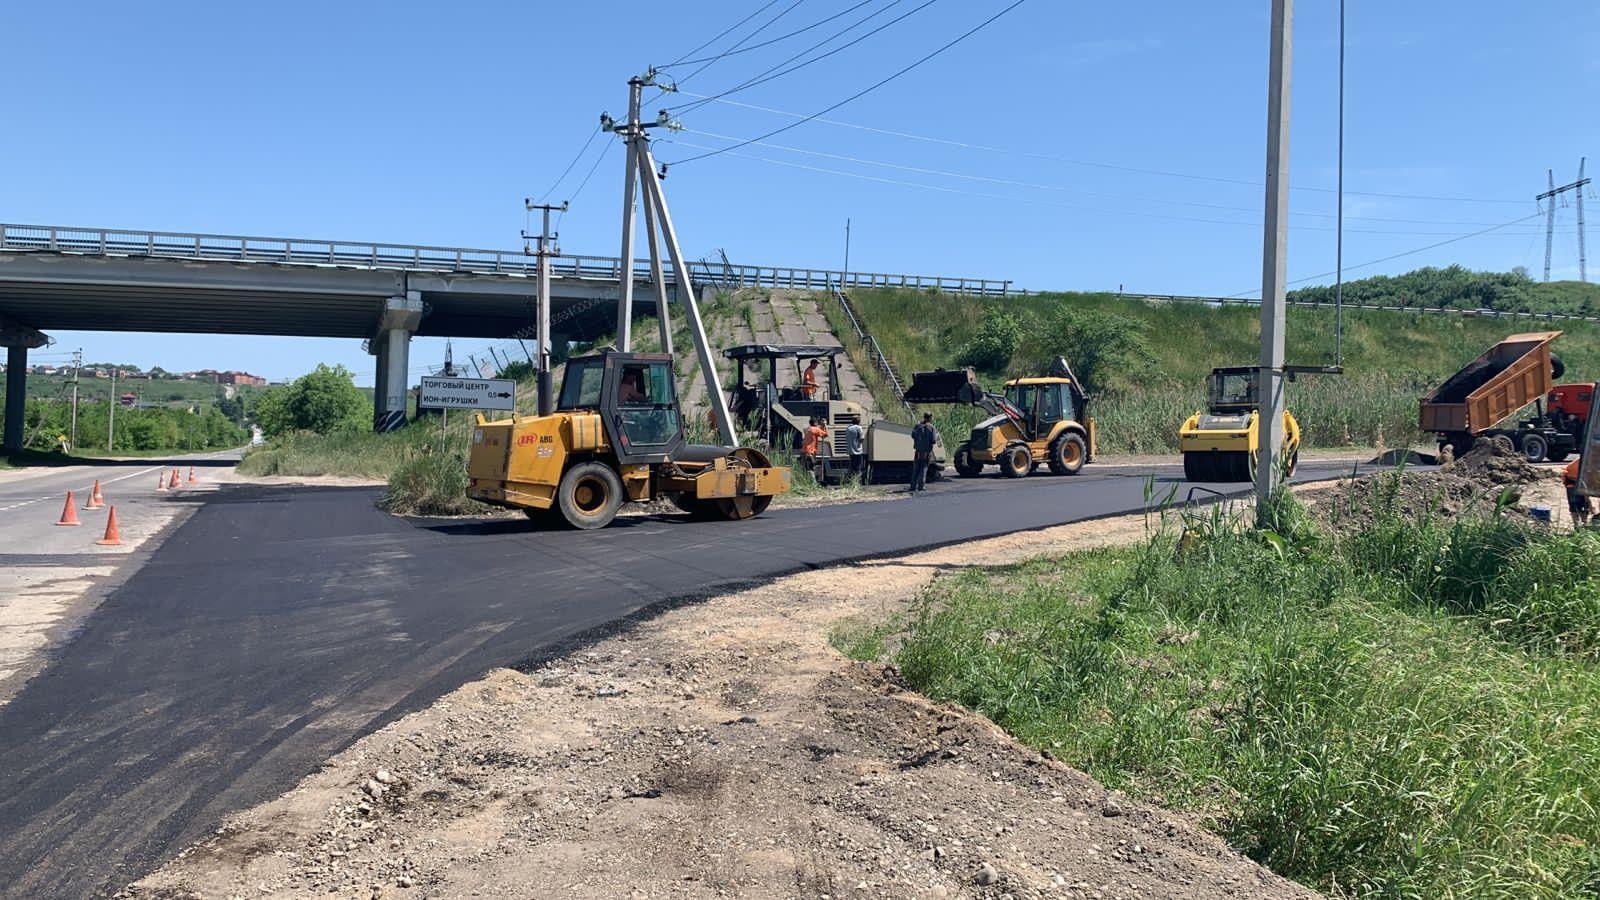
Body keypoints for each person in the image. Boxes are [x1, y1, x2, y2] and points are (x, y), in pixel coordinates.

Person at [910, 412, 938, 493]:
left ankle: (913, 486)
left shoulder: (917, 426)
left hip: (918, 451)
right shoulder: (931, 428)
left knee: (916, 469)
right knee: (923, 468)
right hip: (926, 452)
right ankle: (921, 486)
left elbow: (912, 435)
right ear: (930, 418)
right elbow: (933, 441)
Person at [1565, 456, 1592, 526]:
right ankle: (1582, 524)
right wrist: (1590, 504)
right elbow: (1585, 490)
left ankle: (1578, 525)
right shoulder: (1587, 463)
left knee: (1575, 505)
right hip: (1574, 481)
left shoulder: (1585, 458)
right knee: (1582, 505)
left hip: (1570, 481)